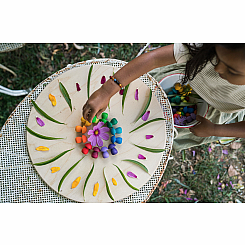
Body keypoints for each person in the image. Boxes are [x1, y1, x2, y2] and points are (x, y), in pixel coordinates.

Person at [82, 43, 245, 151]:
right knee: (132, 107)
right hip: (181, 77)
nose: (217, 68)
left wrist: (215, 129)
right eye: (217, 56)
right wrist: (107, 90)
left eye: (232, 71)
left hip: (213, 111)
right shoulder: (213, 44)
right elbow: (154, 59)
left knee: (155, 135)